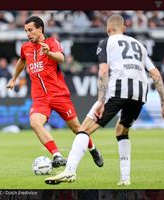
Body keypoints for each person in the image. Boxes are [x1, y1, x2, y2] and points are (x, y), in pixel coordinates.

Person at [45, 14, 164, 185]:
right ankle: (125, 179)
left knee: (84, 129)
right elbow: (156, 75)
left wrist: (100, 100)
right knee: (121, 130)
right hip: (140, 93)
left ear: (107, 29)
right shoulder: (139, 45)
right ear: (124, 28)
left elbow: (103, 71)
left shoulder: (106, 42)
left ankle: (69, 171)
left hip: (118, 90)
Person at [7, 16, 103, 168]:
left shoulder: (51, 43)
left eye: (30, 30)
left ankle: (93, 149)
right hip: (40, 98)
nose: (28, 34)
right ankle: (57, 155)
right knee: (35, 123)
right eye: (26, 31)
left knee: (78, 129)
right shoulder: (26, 47)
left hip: (59, 95)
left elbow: (61, 58)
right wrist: (14, 79)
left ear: (40, 29)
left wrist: (49, 53)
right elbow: (22, 61)